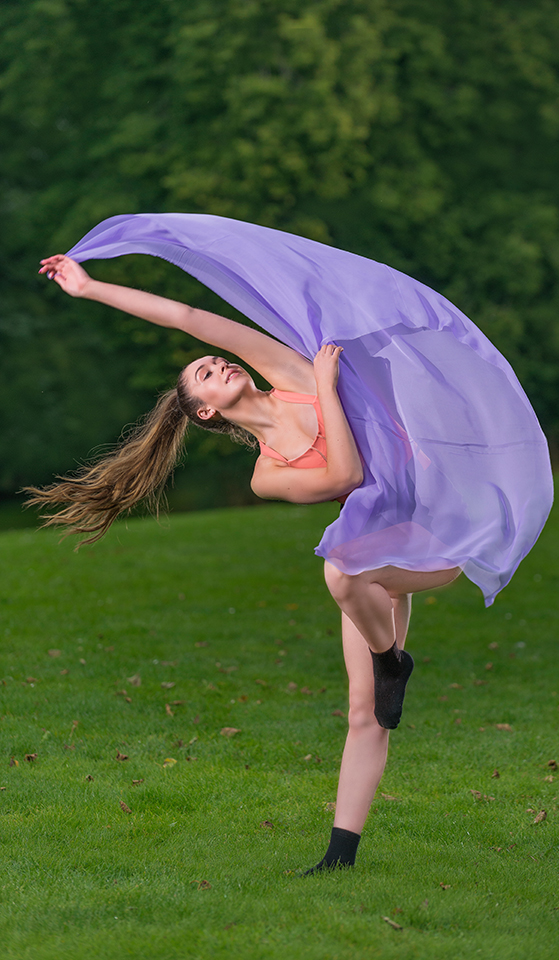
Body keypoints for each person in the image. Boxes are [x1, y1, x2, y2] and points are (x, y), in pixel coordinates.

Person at [31, 252, 461, 874]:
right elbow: (345, 474)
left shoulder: (287, 371)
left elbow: (186, 315)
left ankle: (393, 659)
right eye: (205, 373)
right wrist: (328, 390)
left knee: (340, 571)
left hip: (432, 541)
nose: (218, 362)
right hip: (375, 559)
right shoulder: (268, 473)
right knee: (363, 711)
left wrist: (92, 286)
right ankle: (340, 856)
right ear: (205, 410)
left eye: (217, 361)